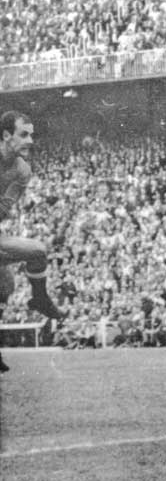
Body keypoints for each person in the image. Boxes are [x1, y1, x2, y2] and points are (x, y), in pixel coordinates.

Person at [0, 111, 65, 373]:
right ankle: (39, 299)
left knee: (6, 284)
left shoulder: (22, 170)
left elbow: (4, 208)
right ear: (6, 135)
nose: (30, 140)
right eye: (23, 134)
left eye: (32, 135)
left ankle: (39, 299)